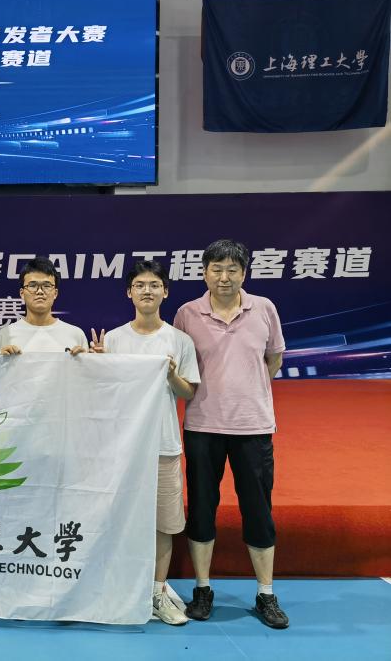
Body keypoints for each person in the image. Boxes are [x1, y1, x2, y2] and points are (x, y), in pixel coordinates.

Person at [173, 239, 289, 629]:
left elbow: (274, 358)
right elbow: (181, 369)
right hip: (202, 426)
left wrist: (247, 391)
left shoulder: (264, 308)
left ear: (244, 273)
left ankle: (266, 593)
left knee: (258, 509)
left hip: (253, 427)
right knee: (201, 508)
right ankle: (202, 589)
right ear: (204, 272)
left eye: (232, 270)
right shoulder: (187, 314)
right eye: (216, 269)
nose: (224, 277)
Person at [97, 260, 200, 626]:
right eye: (139, 285)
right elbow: (104, 392)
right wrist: (99, 365)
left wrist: (171, 374)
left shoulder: (180, 340)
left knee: (163, 524)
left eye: (154, 285)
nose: (147, 290)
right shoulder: (113, 340)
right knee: (120, 519)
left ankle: (157, 591)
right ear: (129, 292)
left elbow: (188, 391)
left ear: (165, 292)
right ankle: (123, 585)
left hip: (163, 445)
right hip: (122, 449)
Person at [0, 257, 87, 355]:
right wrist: (2, 361)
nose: (40, 291)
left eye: (47, 286)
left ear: (55, 293)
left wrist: (88, 360)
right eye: (32, 285)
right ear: (22, 293)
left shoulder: (76, 335)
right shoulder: (4, 336)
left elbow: (86, 365)